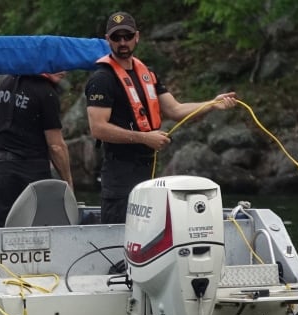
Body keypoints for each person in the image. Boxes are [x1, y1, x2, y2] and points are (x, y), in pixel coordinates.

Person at [85, 11, 237, 224]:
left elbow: (175, 110)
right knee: (119, 232)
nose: (122, 42)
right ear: (108, 40)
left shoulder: (146, 73)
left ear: (136, 37)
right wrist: (144, 138)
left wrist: (212, 104)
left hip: (147, 168)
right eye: (116, 37)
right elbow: (98, 128)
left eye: (127, 36)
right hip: (120, 171)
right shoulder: (102, 79)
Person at [0, 73, 73, 228]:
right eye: (58, 66)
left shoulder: (4, 84)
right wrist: (68, 184)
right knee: (36, 232)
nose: (64, 71)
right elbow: (56, 146)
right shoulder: (46, 92)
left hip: (2, 173)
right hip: (33, 175)